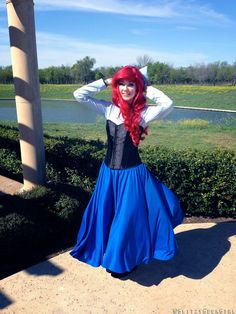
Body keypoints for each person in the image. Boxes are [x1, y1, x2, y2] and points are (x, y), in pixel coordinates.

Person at [70, 65, 183, 278]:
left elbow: (168, 103)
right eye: (122, 84)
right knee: (110, 216)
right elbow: (79, 95)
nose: (125, 89)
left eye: (131, 84)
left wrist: (145, 86)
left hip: (132, 176)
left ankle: (121, 262)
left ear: (138, 88)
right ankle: (119, 256)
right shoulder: (108, 109)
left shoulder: (145, 113)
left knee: (125, 220)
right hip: (109, 175)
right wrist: (106, 81)